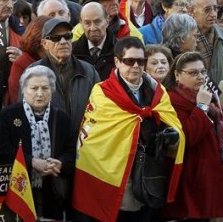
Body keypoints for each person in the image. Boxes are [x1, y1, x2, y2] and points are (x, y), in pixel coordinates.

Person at [73, 37, 185, 222]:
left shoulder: (158, 91)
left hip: (148, 173)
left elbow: (171, 122)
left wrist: (171, 135)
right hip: (113, 174)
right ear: (117, 61)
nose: (136, 66)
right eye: (129, 61)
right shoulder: (102, 92)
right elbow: (95, 140)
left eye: (141, 61)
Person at [0, 65, 76, 219]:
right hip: (19, 190)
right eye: (34, 88)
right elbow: (1, 151)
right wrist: (31, 161)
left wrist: (60, 163)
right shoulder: (9, 115)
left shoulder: (61, 118)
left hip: (53, 192)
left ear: (52, 91)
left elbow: (72, 152)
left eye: (45, 88)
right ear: (24, 90)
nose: (39, 93)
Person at [161, 51, 223, 219]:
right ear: (177, 74)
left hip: (209, 176)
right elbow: (187, 137)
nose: (200, 77)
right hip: (189, 178)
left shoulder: (208, 96)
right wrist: (201, 107)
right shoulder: (171, 100)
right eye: (193, 73)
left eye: (203, 72)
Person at [8, 16, 51, 104]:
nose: (60, 42)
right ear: (39, 39)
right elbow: (17, 99)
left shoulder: (61, 60)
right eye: (53, 38)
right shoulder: (22, 63)